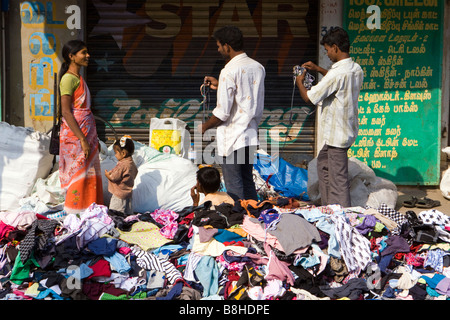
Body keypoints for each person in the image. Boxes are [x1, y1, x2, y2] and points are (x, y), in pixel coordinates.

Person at [295, 27, 364, 207]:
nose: (327, 54)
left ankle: (343, 216)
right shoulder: (355, 69)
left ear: (335, 47)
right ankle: (329, 206)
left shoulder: (337, 73)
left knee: (338, 180)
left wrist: (299, 82)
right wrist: (318, 69)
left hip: (337, 136)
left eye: (327, 50)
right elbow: (337, 82)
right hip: (346, 130)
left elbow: (309, 97)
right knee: (323, 164)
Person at [199, 25, 265, 202]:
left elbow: (222, 113)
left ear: (227, 46)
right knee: (247, 180)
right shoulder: (258, 67)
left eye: (219, 46)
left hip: (233, 137)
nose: (219, 49)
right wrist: (220, 85)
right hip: (249, 135)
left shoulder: (228, 70)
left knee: (233, 184)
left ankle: (240, 221)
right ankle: (254, 217)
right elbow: (245, 96)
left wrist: (204, 127)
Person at [58, 40, 104, 214]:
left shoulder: (78, 78)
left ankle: (91, 210)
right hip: (76, 136)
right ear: (71, 56)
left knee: (89, 173)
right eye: (83, 53)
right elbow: (67, 112)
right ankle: (75, 212)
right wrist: (83, 139)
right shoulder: (68, 79)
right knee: (78, 174)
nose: (87, 56)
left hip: (86, 133)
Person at [104, 135, 138, 215]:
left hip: (119, 195)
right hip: (128, 194)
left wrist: (108, 175)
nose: (115, 155)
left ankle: (117, 226)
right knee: (127, 214)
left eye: (116, 153)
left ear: (123, 153)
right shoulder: (131, 163)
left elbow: (114, 177)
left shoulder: (122, 165)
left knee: (115, 214)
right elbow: (135, 172)